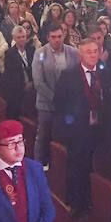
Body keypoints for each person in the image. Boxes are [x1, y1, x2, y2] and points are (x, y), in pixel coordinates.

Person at [53, 36, 109, 218]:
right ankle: (77, 204)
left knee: (97, 167)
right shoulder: (69, 75)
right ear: (80, 55)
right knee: (78, 167)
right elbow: (60, 105)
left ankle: (94, 202)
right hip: (78, 131)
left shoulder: (106, 72)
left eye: (95, 51)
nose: (93, 55)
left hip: (100, 129)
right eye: (88, 52)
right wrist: (69, 129)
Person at [30, 22, 76, 169]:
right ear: (48, 38)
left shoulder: (73, 52)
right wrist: (55, 99)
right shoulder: (40, 53)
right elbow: (38, 82)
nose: (57, 40)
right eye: (53, 37)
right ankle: (39, 164)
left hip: (67, 105)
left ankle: (59, 165)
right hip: (46, 103)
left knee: (63, 136)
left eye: (60, 36)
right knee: (43, 135)